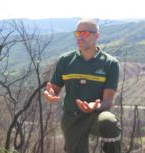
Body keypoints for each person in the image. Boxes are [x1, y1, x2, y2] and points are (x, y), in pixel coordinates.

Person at [43, 19, 121, 153]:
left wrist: (95, 106)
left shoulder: (110, 64)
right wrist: (50, 95)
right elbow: (54, 90)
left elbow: (107, 101)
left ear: (96, 35)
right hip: (71, 117)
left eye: (84, 33)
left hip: (95, 116)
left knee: (109, 122)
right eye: (77, 33)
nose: (80, 36)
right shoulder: (65, 60)